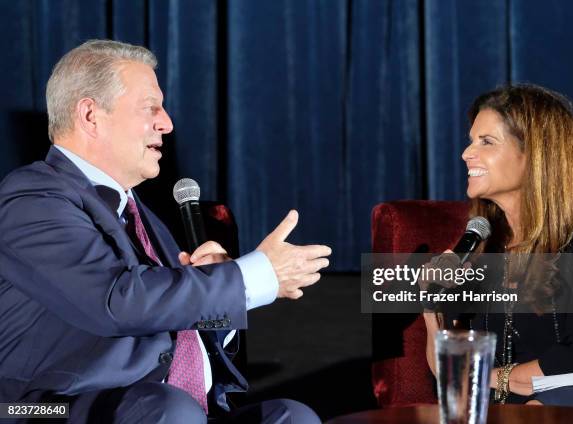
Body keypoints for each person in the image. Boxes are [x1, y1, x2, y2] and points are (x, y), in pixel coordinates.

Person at [0, 40, 332, 423]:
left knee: (292, 417)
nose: (167, 123)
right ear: (90, 115)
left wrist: (216, 294)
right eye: (150, 108)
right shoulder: (32, 198)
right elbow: (116, 301)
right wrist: (249, 276)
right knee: (170, 411)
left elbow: (166, 319)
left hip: (170, 407)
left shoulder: (142, 215)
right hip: (48, 408)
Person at [421, 84, 573, 406]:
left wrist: (490, 378)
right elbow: (448, 373)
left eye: (486, 142)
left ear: (536, 155)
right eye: (471, 141)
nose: (466, 153)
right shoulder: (482, 247)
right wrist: (431, 308)